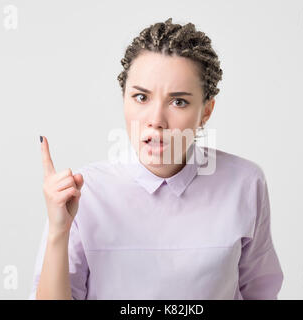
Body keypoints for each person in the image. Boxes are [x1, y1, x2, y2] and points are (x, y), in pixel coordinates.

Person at [29, 18, 283, 300]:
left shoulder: (245, 183)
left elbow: (260, 293)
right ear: (124, 99)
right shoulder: (83, 193)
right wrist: (58, 231)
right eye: (141, 97)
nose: (155, 120)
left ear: (206, 111)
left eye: (179, 102)